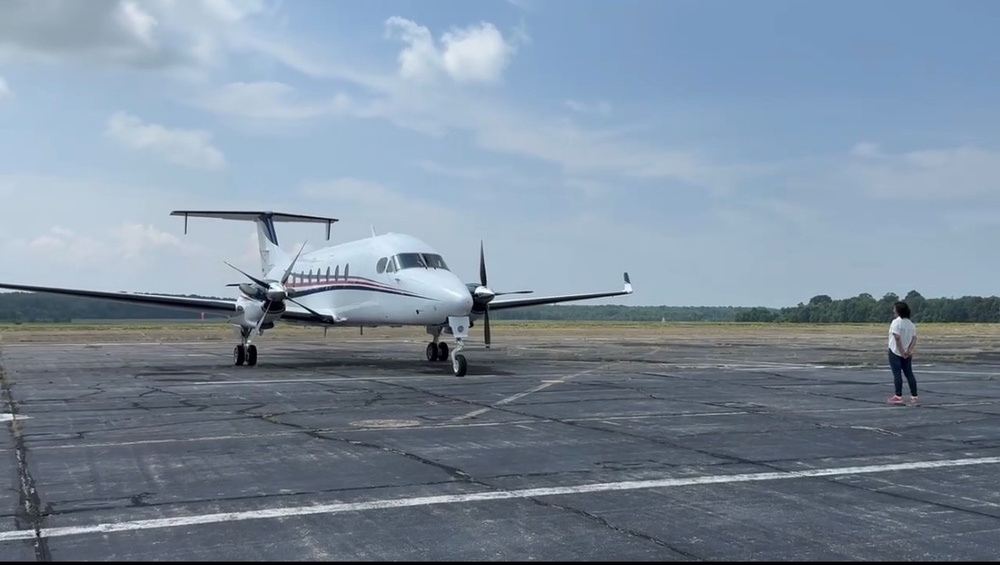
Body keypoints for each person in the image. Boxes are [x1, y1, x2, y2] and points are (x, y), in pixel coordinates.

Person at [887, 301, 918, 404]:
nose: (893, 310)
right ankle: (914, 395)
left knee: (897, 374)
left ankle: (898, 395)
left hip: (895, 351)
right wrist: (909, 350)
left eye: (894, 309)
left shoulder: (896, 322)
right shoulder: (911, 324)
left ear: (898, 311)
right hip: (907, 353)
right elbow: (914, 338)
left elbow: (897, 338)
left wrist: (901, 351)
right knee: (909, 373)